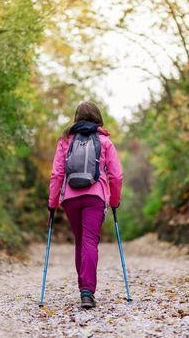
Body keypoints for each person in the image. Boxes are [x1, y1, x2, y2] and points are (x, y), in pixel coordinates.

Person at [48, 101, 123, 309]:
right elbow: (116, 175)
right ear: (98, 117)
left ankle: (84, 288)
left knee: (80, 242)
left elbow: (57, 174)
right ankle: (87, 292)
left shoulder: (66, 139)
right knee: (90, 241)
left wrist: (52, 203)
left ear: (76, 117)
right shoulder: (104, 141)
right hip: (95, 197)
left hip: (71, 198)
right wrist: (114, 200)